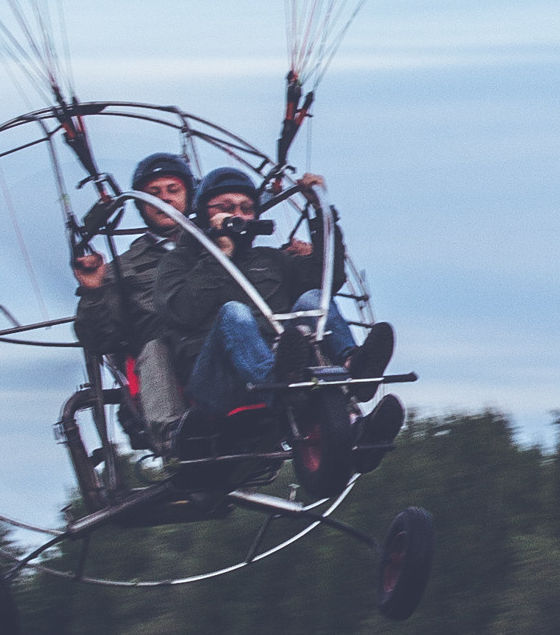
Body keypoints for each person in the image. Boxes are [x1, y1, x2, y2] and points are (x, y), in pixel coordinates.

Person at [155, 166, 401, 462]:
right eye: (226, 208)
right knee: (235, 313)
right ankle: (277, 382)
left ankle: (353, 366)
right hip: (213, 381)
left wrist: (321, 215)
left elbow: (328, 279)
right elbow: (181, 313)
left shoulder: (271, 260)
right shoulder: (178, 263)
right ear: (204, 213)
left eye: (246, 209)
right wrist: (217, 255)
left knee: (312, 298)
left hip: (284, 363)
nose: (238, 215)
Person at [71, 150, 197, 461]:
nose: (164, 200)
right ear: (140, 204)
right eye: (154, 194)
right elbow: (99, 339)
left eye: (173, 190)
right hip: (168, 356)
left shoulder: (221, 248)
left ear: (189, 196)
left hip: (213, 347)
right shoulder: (123, 269)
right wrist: (93, 292)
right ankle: (173, 437)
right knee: (155, 348)